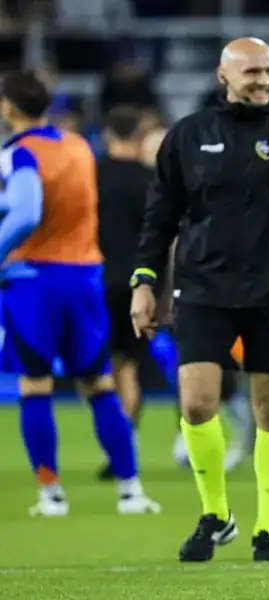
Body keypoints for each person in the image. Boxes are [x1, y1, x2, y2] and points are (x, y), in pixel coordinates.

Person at [129, 37, 269, 562]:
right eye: (252, 73)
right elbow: (160, 218)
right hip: (203, 289)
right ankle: (215, 514)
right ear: (225, 76)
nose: (264, 80)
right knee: (197, 402)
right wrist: (144, 281)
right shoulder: (188, 136)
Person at [0, 71, 160, 517]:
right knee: (99, 382)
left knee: (35, 385)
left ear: (8, 107)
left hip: (34, 280)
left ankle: (51, 493)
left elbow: (27, 212)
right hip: (85, 277)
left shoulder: (18, 153)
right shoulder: (78, 147)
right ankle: (130, 489)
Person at [95, 106, 154, 480]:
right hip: (140, 284)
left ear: (106, 134)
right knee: (128, 366)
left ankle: (118, 447)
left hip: (93, 279)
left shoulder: (91, 174)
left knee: (100, 370)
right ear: (140, 134)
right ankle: (124, 444)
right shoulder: (151, 180)